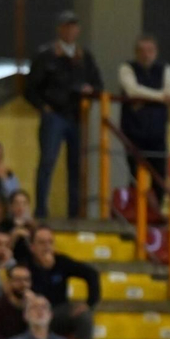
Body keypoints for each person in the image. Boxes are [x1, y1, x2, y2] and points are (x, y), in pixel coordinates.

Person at [26, 12, 105, 218]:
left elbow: (98, 84)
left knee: (76, 166)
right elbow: (30, 88)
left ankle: (74, 212)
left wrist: (90, 90)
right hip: (54, 116)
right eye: (66, 26)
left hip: (77, 117)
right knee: (47, 162)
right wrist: (43, 107)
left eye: (73, 26)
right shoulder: (46, 55)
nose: (70, 31)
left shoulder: (84, 57)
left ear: (78, 30)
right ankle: (41, 210)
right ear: (59, 29)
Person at [117, 35, 170, 196]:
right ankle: (136, 208)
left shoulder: (165, 68)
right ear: (135, 53)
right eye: (142, 51)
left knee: (160, 176)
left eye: (150, 50)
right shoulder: (126, 68)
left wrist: (143, 98)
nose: (146, 54)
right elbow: (132, 91)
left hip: (157, 133)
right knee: (135, 175)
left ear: (156, 52)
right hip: (133, 132)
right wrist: (160, 97)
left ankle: (156, 209)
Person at [18, 225, 99, 339]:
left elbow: (91, 274)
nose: (47, 247)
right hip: (34, 310)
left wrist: (89, 303)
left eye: (50, 242)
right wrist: (44, 271)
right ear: (32, 247)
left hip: (58, 311)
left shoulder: (61, 261)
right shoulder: (25, 263)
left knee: (84, 316)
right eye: (42, 243)